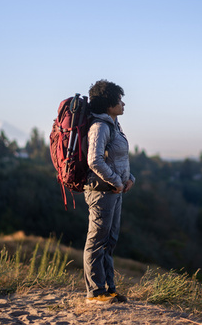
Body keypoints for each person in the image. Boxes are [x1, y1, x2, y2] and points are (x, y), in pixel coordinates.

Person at [83, 79, 135, 303]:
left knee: (110, 240)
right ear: (108, 104)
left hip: (115, 192)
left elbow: (118, 157)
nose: (123, 104)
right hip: (102, 192)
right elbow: (94, 160)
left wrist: (129, 178)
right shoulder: (100, 127)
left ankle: (109, 288)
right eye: (119, 100)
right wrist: (116, 181)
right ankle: (95, 293)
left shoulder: (114, 125)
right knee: (97, 241)